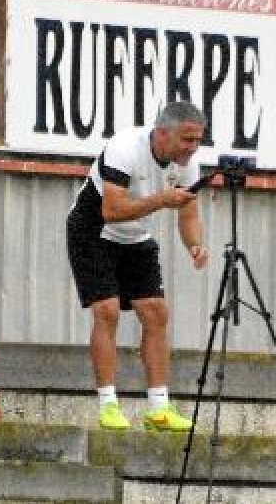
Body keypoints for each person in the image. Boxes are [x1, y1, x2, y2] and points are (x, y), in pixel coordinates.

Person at [65, 101, 209, 431]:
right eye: (187, 139)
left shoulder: (187, 165)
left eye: (198, 140)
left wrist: (195, 245)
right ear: (162, 133)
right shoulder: (125, 148)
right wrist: (162, 200)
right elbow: (112, 210)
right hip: (93, 230)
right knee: (107, 311)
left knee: (156, 311)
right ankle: (108, 405)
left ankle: (159, 408)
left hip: (134, 235)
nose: (193, 148)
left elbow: (188, 215)